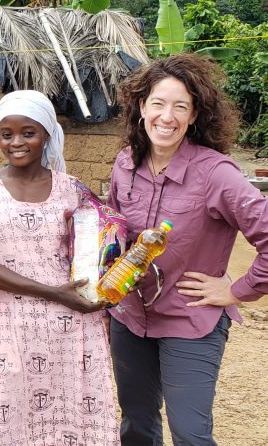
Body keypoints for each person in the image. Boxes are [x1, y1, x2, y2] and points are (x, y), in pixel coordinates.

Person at [106, 53, 268, 445]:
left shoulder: (216, 174)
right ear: (141, 106)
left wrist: (234, 291)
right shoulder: (125, 164)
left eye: (181, 106)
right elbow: (113, 230)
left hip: (190, 322)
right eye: (158, 103)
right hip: (130, 319)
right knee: (137, 423)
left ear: (194, 116)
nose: (168, 116)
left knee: (190, 433)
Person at [0, 90, 119, 445]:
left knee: (75, 419)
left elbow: (96, 248)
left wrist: (107, 285)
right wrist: (53, 293)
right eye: (6, 134)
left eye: (28, 132)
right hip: (13, 323)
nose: (16, 142)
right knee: (10, 420)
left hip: (74, 324)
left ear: (47, 134)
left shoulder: (72, 190)